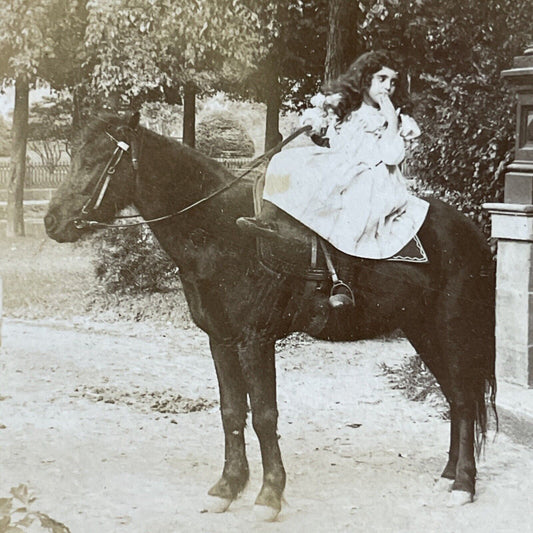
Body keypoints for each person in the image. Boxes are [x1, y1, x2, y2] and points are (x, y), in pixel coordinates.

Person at [237, 50, 429, 261]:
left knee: (353, 200)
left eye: (393, 82)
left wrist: (391, 120)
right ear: (365, 80)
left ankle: (341, 272)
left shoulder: (395, 118)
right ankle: (268, 219)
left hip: (373, 176)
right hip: (341, 165)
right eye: (381, 79)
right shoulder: (345, 109)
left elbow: (392, 157)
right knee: (285, 160)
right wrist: (315, 126)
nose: (387, 87)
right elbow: (329, 138)